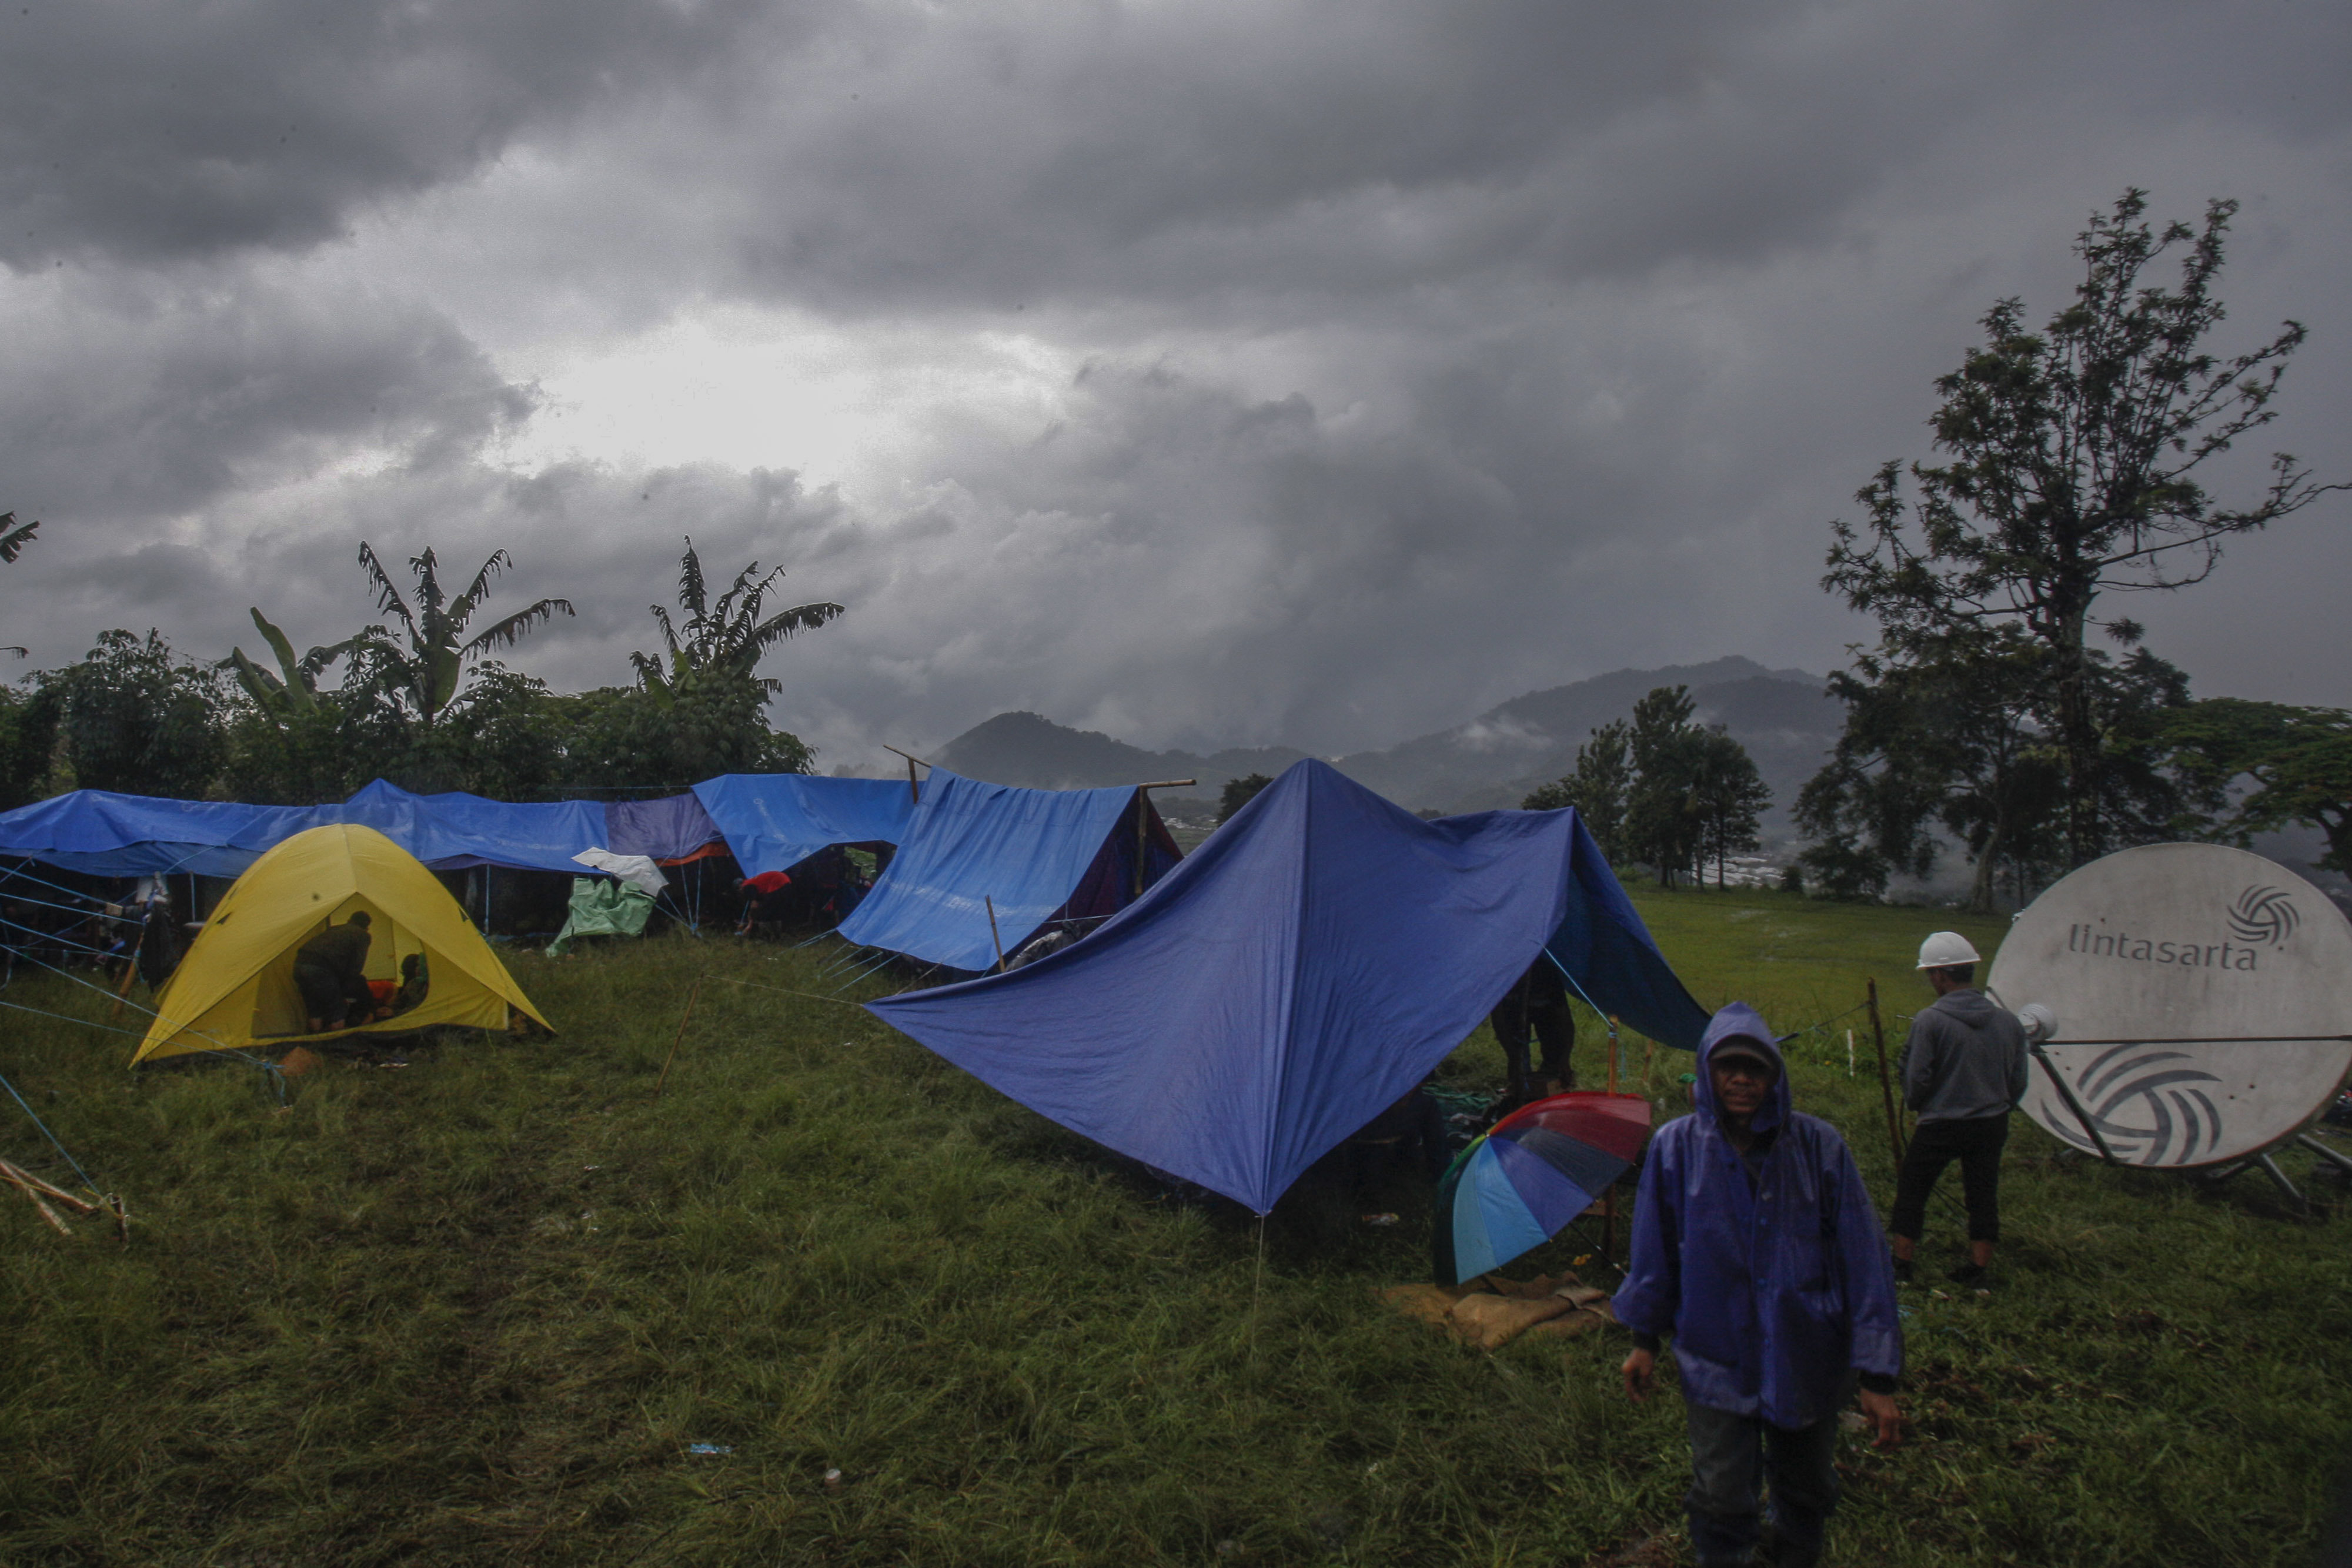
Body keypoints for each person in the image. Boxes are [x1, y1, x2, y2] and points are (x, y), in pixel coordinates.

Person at [1615, 1003, 1903, 1568]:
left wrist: (1879, 1374)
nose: (1742, 1079)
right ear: (1707, 1072)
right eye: (1729, 1067)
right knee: (1721, 1491)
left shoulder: (1821, 1149)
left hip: (1808, 1351)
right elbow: (1653, 1251)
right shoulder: (1676, 1149)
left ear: (1776, 1076)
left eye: (1755, 1067)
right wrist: (1644, 1338)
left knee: (1806, 1486)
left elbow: (1865, 1259)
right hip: (1716, 1353)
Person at [1889, 931, 2028, 1287]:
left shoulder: (1930, 1021)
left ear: (1939, 975)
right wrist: (2000, 1105)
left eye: (1930, 975)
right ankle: (1978, 1270)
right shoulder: (2009, 1022)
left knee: (1913, 1190)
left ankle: (1902, 1266)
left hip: (1941, 1124)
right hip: (1991, 1123)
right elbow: (2018, 1081)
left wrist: (1918, 1103)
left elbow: (1917, 1077)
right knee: (1983, 1193)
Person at [1489, 957, 1574, 1104]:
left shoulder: (1547, 976)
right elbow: (1498, 1019)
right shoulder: (1503, 976)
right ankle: (1520, 1097)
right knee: (1519, 1062)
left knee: (1555, 1058)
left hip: (1547, 1012)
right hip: (1513, 1009)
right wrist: (1512, 1054)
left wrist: (1565, 1059)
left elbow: (1565, 1021)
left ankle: (1550, 1094)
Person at [293, 911, 377, 1033]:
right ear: (367, 927)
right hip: (321, 968)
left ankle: (316, 1041)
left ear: (350, 920)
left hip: (299, 964)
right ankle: (337, 1045)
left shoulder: (334, 929)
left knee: (314, 1009)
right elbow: (357, 965)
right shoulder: (362, 935)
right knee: (337, 1011)